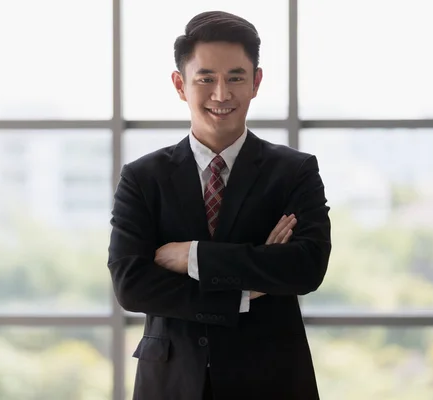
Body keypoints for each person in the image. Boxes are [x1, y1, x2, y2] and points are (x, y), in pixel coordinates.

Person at [107, 10, 331, 400]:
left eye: (236, 77)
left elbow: (306, 267)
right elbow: (132, 285)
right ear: (180, 84)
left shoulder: (295, 172)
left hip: (272, 379)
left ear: (256, 82)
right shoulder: (142, 177)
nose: (221, 94)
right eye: (206, 78)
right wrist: (247, 286)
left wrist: (194, 257)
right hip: (171, 383)